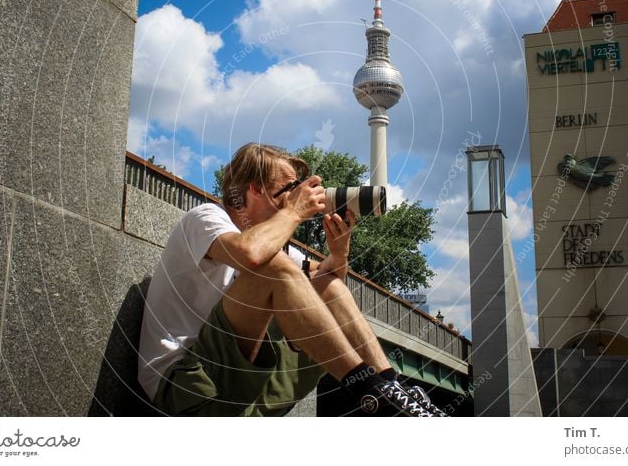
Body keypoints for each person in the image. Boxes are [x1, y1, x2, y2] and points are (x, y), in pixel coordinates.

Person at [138, 143, 444, 416]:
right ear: (257, 189)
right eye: (289, 188)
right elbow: (251, 255)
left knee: (325, 284)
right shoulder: (206, 218)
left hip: (237, 387)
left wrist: (339, 256)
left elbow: (326, 283)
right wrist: (295, 212)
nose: (297, 196)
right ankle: (368, 387)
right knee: (277, 268)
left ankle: (393, 391)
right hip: (184, 385)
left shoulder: (274, 244)